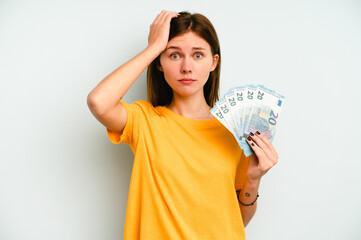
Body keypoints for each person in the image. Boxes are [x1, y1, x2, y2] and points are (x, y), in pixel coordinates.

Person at [87, 10, 278, 240]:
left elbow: (238, 221)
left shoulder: (235, 130)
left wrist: (253, 179)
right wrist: (154, 47)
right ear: (160, 62)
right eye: (174, 55)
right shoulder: (144, 120)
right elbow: (99, 102)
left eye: (198, 55)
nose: (187, 67)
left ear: (213, 62)